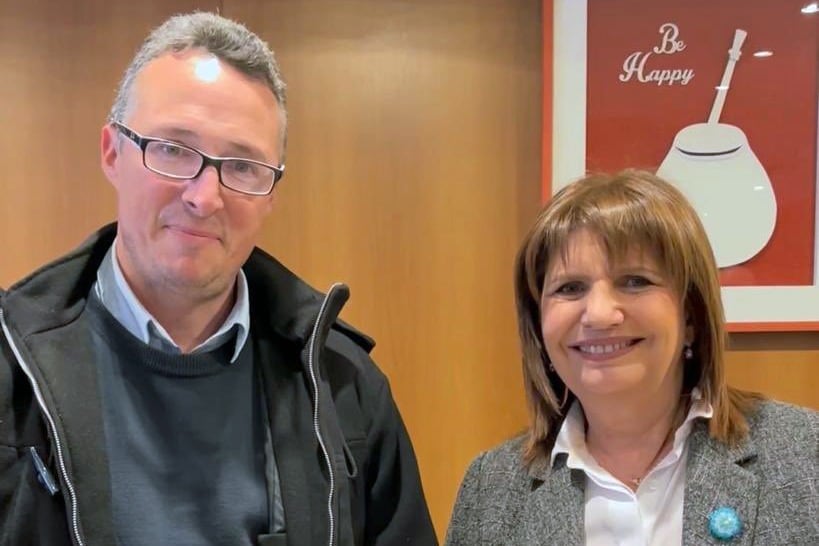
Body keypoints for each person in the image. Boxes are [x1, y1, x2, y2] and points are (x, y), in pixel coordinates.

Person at [0, 12, 436, 546]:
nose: (204, 197)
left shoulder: (343, 388)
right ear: (112, 153)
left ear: (271, 194)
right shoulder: (9, 374)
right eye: (173, 150)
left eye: (244, 165)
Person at [445, 169, 818, 545]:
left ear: (690, 315)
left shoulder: (805, 455)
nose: (600, 314)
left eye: (635, 281)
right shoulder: (491, 490)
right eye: (570, 288)